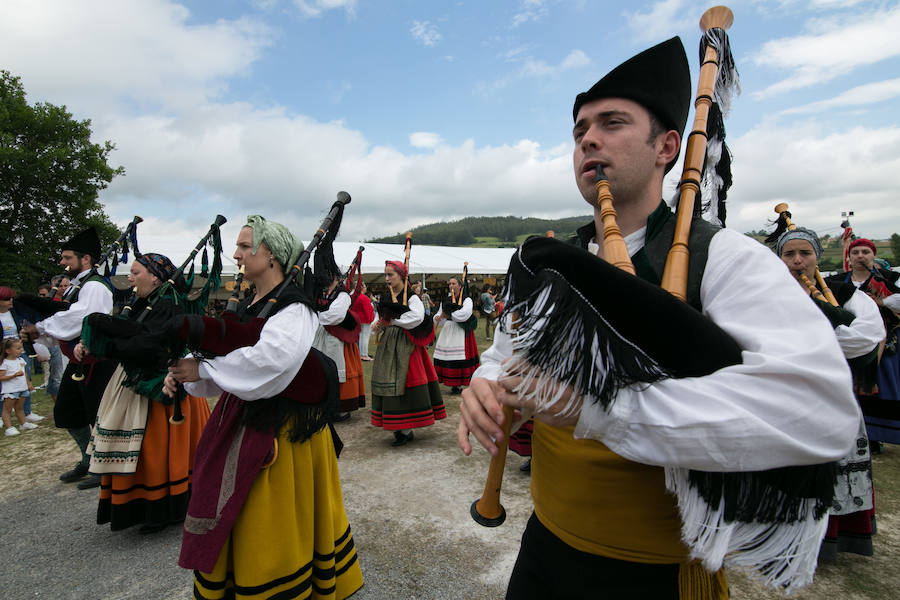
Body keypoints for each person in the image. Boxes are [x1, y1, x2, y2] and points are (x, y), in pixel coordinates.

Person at [458, 36, 860, 598]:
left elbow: (820, 412)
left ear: (668, 146)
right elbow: (504, 356)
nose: (588, 139)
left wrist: (599, 409)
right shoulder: (551, 266)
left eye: (612, 123)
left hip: (656, 575)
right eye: (579, 131)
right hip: (544, 550)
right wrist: (484, 386)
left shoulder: (721, 257)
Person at [164, 215, 363, 600]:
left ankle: (277, 582)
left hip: (283, 433)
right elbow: (225, 348)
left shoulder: (295, 308)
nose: (236, 254)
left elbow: (271, 363)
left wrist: (202, 368)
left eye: (243, 246)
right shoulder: (247, 303)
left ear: (271, 255)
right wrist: (188, 372)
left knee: (268, 517)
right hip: (240, 419)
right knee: (235, 510)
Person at [73, 253, 211, 533]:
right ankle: (146, 505)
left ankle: (162, 506)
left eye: (136, 273)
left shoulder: (170, 304)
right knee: (147, 450)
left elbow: (151, 346)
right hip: (136, 380)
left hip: (162, 386)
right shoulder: (144, 302)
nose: (130, 278)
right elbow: (131, 334)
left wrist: (106, 346)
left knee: (157, 450)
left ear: (155, 276)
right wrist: (91, 341)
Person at [777, 227, 884, 561]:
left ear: (817, 258)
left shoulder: (844, 293)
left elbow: (865, 337)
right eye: (789, 254)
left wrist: (818, 327)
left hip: (830, 395)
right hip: (784, 395)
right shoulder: (767, 293)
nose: (797, 261)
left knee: (832, 467)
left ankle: (831, 539)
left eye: (805, 254)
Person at [19, 228, 117, 488]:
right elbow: (66, 321)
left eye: (67, 258)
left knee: (99, 416)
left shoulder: (95, 285)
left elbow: (81, 319)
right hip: (77, 362)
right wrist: (38, 334)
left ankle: (102, 467)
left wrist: (40, 329)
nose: (62, 263)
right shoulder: (77, 286)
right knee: (67, 413)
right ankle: (88, 458)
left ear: (85, 259)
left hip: (97, 362)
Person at [827, 238, 900, 449]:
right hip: (847, 343)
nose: (860, 256)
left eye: (865, 252)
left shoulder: (887, 281)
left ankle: (875, 435)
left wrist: (882, 302)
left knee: (878, 389)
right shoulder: (839, 282)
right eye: (855, 252)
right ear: (849, 257)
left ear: (873, 255)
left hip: (883, 346)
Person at [371, 260, 445, 446]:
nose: (387, 278)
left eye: (390, 275)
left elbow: (416, 318)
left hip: (407, 345)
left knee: (406, 380)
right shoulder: (386, 296)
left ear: (402, 276)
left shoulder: (411, 297)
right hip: (388, 344)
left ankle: (406, 428)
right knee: (389, 379)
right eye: (386, 274)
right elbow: (380, 318)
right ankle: (397, 425)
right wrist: (377, 325)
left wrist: (392, 321)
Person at [312, 244, 366, 422]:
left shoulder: (342, 295)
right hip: (320, 336)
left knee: (335, 371)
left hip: (336, 339)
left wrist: (317, 315)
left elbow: (335, 316)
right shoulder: (322, 292)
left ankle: (338, 408)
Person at [0, 286, 44, 423]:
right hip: (3, 355)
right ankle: (2, 415)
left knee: (25, 381)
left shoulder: (15, 312)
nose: (10, 301)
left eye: (11, 298)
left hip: (20, 352)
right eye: (7, 299)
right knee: (3, 384)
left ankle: (27, 412)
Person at [432, 276, 479, 395]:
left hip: (461, 330)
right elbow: (440, 315)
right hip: (448, 330)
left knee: (459, 357)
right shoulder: (446, 300)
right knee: (448, 356)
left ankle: (458, 384)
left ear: (460, 286)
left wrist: (449, 315)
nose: (451, 286)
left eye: (454, 284)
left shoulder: (466, 299)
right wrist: (438, 317)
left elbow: (465, 314)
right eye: (450, 284)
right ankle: (452, 383)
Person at [1, 338, 37, 436]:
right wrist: (14, 375)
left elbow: (24, 373)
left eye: (21, 348)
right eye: (18, 348)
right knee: (7, 410)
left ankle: (23, 423)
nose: (21, 350)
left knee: (19, 408)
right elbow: (1, 377)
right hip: (10, 390)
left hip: (22, 388)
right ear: (8, 351)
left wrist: (28, 384)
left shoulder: (21, 360)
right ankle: (9, 428)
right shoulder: (4, 363)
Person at [356, 283, 375, 361]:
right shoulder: (364, 298)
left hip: (358, 319)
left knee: (361, 337)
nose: (365, 288)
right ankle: (364, 354)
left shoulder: (355, 297)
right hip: (365, 320)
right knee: (365, 338)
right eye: (364, 286)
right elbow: (368, 310)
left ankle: (361, 354)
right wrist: (371, 319)